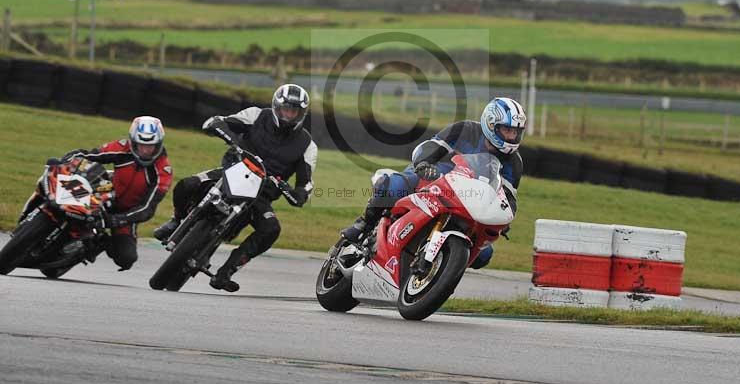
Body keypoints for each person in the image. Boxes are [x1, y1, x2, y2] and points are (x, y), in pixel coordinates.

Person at [154, 83, 317, 292]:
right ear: (276, 106)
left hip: (261, 193)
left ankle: (227, 271)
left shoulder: (307, 145)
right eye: (286, 109)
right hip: (232, 172)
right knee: (188, 184)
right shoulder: (256, 115)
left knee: (271, 229)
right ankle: (176, 221)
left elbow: (306, 183)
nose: (288, 115)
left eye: (294, 111)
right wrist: (221, 130)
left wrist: (296, 193)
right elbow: (221, 122)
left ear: (301, 114)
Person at [341, 97, 526, 269]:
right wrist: (424, 163)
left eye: (516, 132)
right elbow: (431, 146)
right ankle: (363, 225)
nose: (511, 137)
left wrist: (504, 217)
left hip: (469, 202)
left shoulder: (514, 163)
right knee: (394, 186)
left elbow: (508, 197)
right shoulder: (465, 130)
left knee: (484, 254)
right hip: (432, 177)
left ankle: (441, 269)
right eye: (507, 130)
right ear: (491, 124)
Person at [19, 116, 172, 271]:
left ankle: (96, 244)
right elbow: (90, 156)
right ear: (132, 141)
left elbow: (147, 208)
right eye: (141, 145)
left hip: (125, 214)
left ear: (159, 144)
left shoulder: (163, 171)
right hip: (104, 193)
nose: (146, 150)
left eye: (151, 146)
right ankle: (33, 215)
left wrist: (117, 220)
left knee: (126, 258)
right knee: (60, 181)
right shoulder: (122, 147)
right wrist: (67, 160)